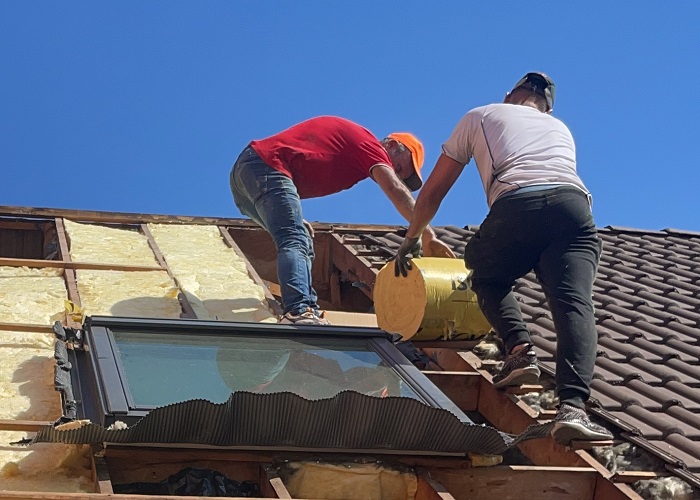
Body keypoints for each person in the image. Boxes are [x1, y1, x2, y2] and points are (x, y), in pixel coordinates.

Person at [392, 73, 613, 443]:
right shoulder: (559, 129)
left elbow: (432, 193)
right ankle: (573, 408)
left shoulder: (481, 115)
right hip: (575, 210)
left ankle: (520, 351)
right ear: (547, 106)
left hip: (519, 201)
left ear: (509, 94)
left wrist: (412, 238)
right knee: (574, 304)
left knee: (484, 273)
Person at [230, 115, 455, 325]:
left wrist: (296, 217)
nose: (395, 174)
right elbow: (395, 189)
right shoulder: (368, 144)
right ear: (393, 146)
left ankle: (306, 308)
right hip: (264, 165)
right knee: (295, 239)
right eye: (399, 168)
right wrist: (427, 234)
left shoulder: (357, 162)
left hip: (247, 179)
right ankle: (299, 310)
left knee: (301, 238)